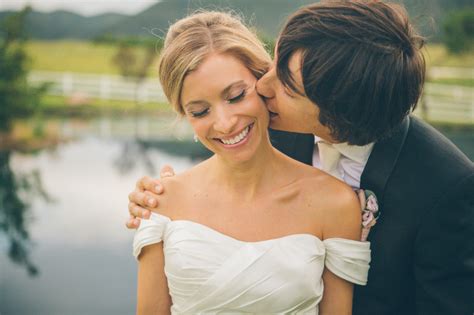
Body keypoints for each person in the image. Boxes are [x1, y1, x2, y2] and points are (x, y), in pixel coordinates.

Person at [128, 1, 474, 314]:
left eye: (286, 87)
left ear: (335, 113)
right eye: (276, 62)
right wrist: (157, 203)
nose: (264, 86)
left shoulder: (446, 187)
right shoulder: (261, 124)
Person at [132, 10, 371, 314]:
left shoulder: (335, 203)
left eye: (235, 96)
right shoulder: (160, 201)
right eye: (200, 112)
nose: (224, 124)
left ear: (263, 82)